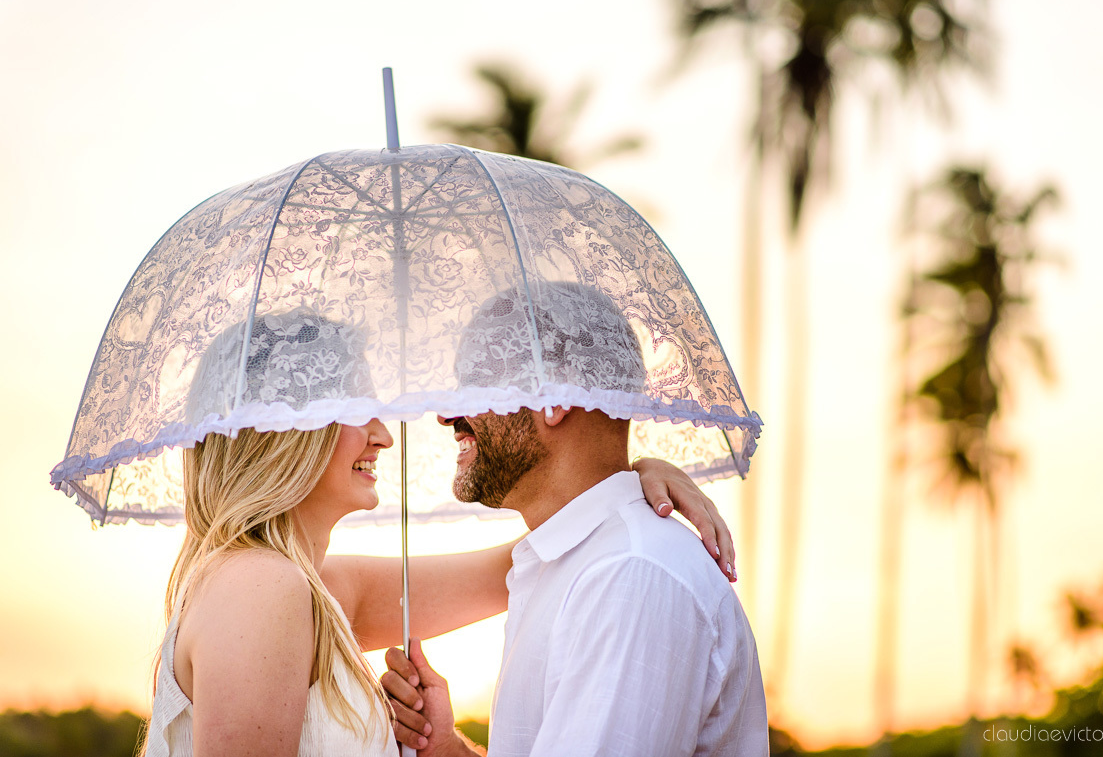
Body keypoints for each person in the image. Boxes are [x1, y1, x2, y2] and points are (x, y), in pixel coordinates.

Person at [141, 308, 736, 757]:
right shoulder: (259, 587)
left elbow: (537, 556)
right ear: (283, 428)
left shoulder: (313, 588)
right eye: (358, 410)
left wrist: (624, 481)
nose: (384, 435)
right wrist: (617, 491)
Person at [382, 284, 769, 756]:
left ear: (554, 397)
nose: (446, 415)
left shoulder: (629, 573)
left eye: (476, 381)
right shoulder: (570, 564)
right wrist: (445, 749)